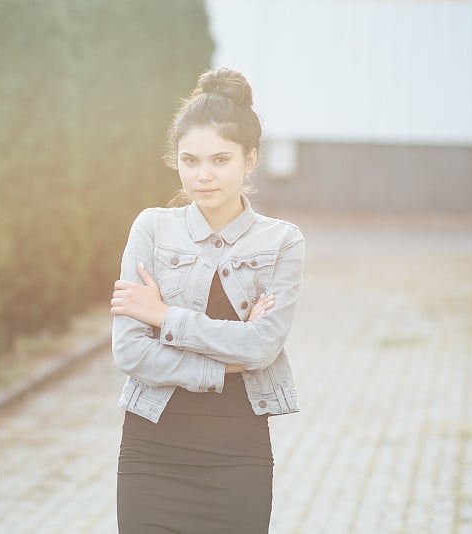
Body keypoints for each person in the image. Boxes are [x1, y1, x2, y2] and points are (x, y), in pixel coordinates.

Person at [109, 67, 305, 533]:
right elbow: (130, 351)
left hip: (238, 460)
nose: (204, 176)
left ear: (250, 159)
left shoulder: (282, 242)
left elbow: (262, 348)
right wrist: (226, 364)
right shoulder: (151, 230)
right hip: (151, 453)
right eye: (190, 160)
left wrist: (163, 316)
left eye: (220, 160)